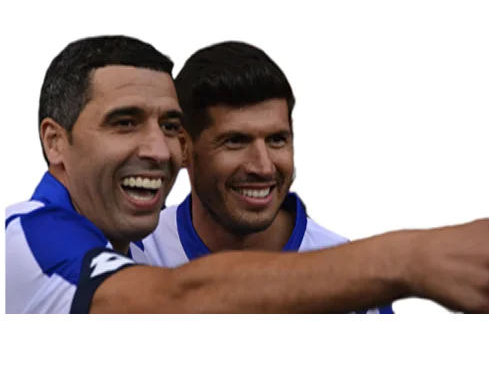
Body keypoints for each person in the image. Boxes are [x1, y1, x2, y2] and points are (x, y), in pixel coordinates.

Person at [5, 35, 489, 316]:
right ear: (55, 141)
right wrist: (406, 259)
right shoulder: (23, 240)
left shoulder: (120, 236)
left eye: (169, 126)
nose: (158, 150)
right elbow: (176, 297)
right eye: (124, 122)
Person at [137, 41, 394, 315]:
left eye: (276, 140)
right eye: (235, 141)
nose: (263, 167)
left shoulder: (355, 286)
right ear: (182, 149)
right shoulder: (133, 256)